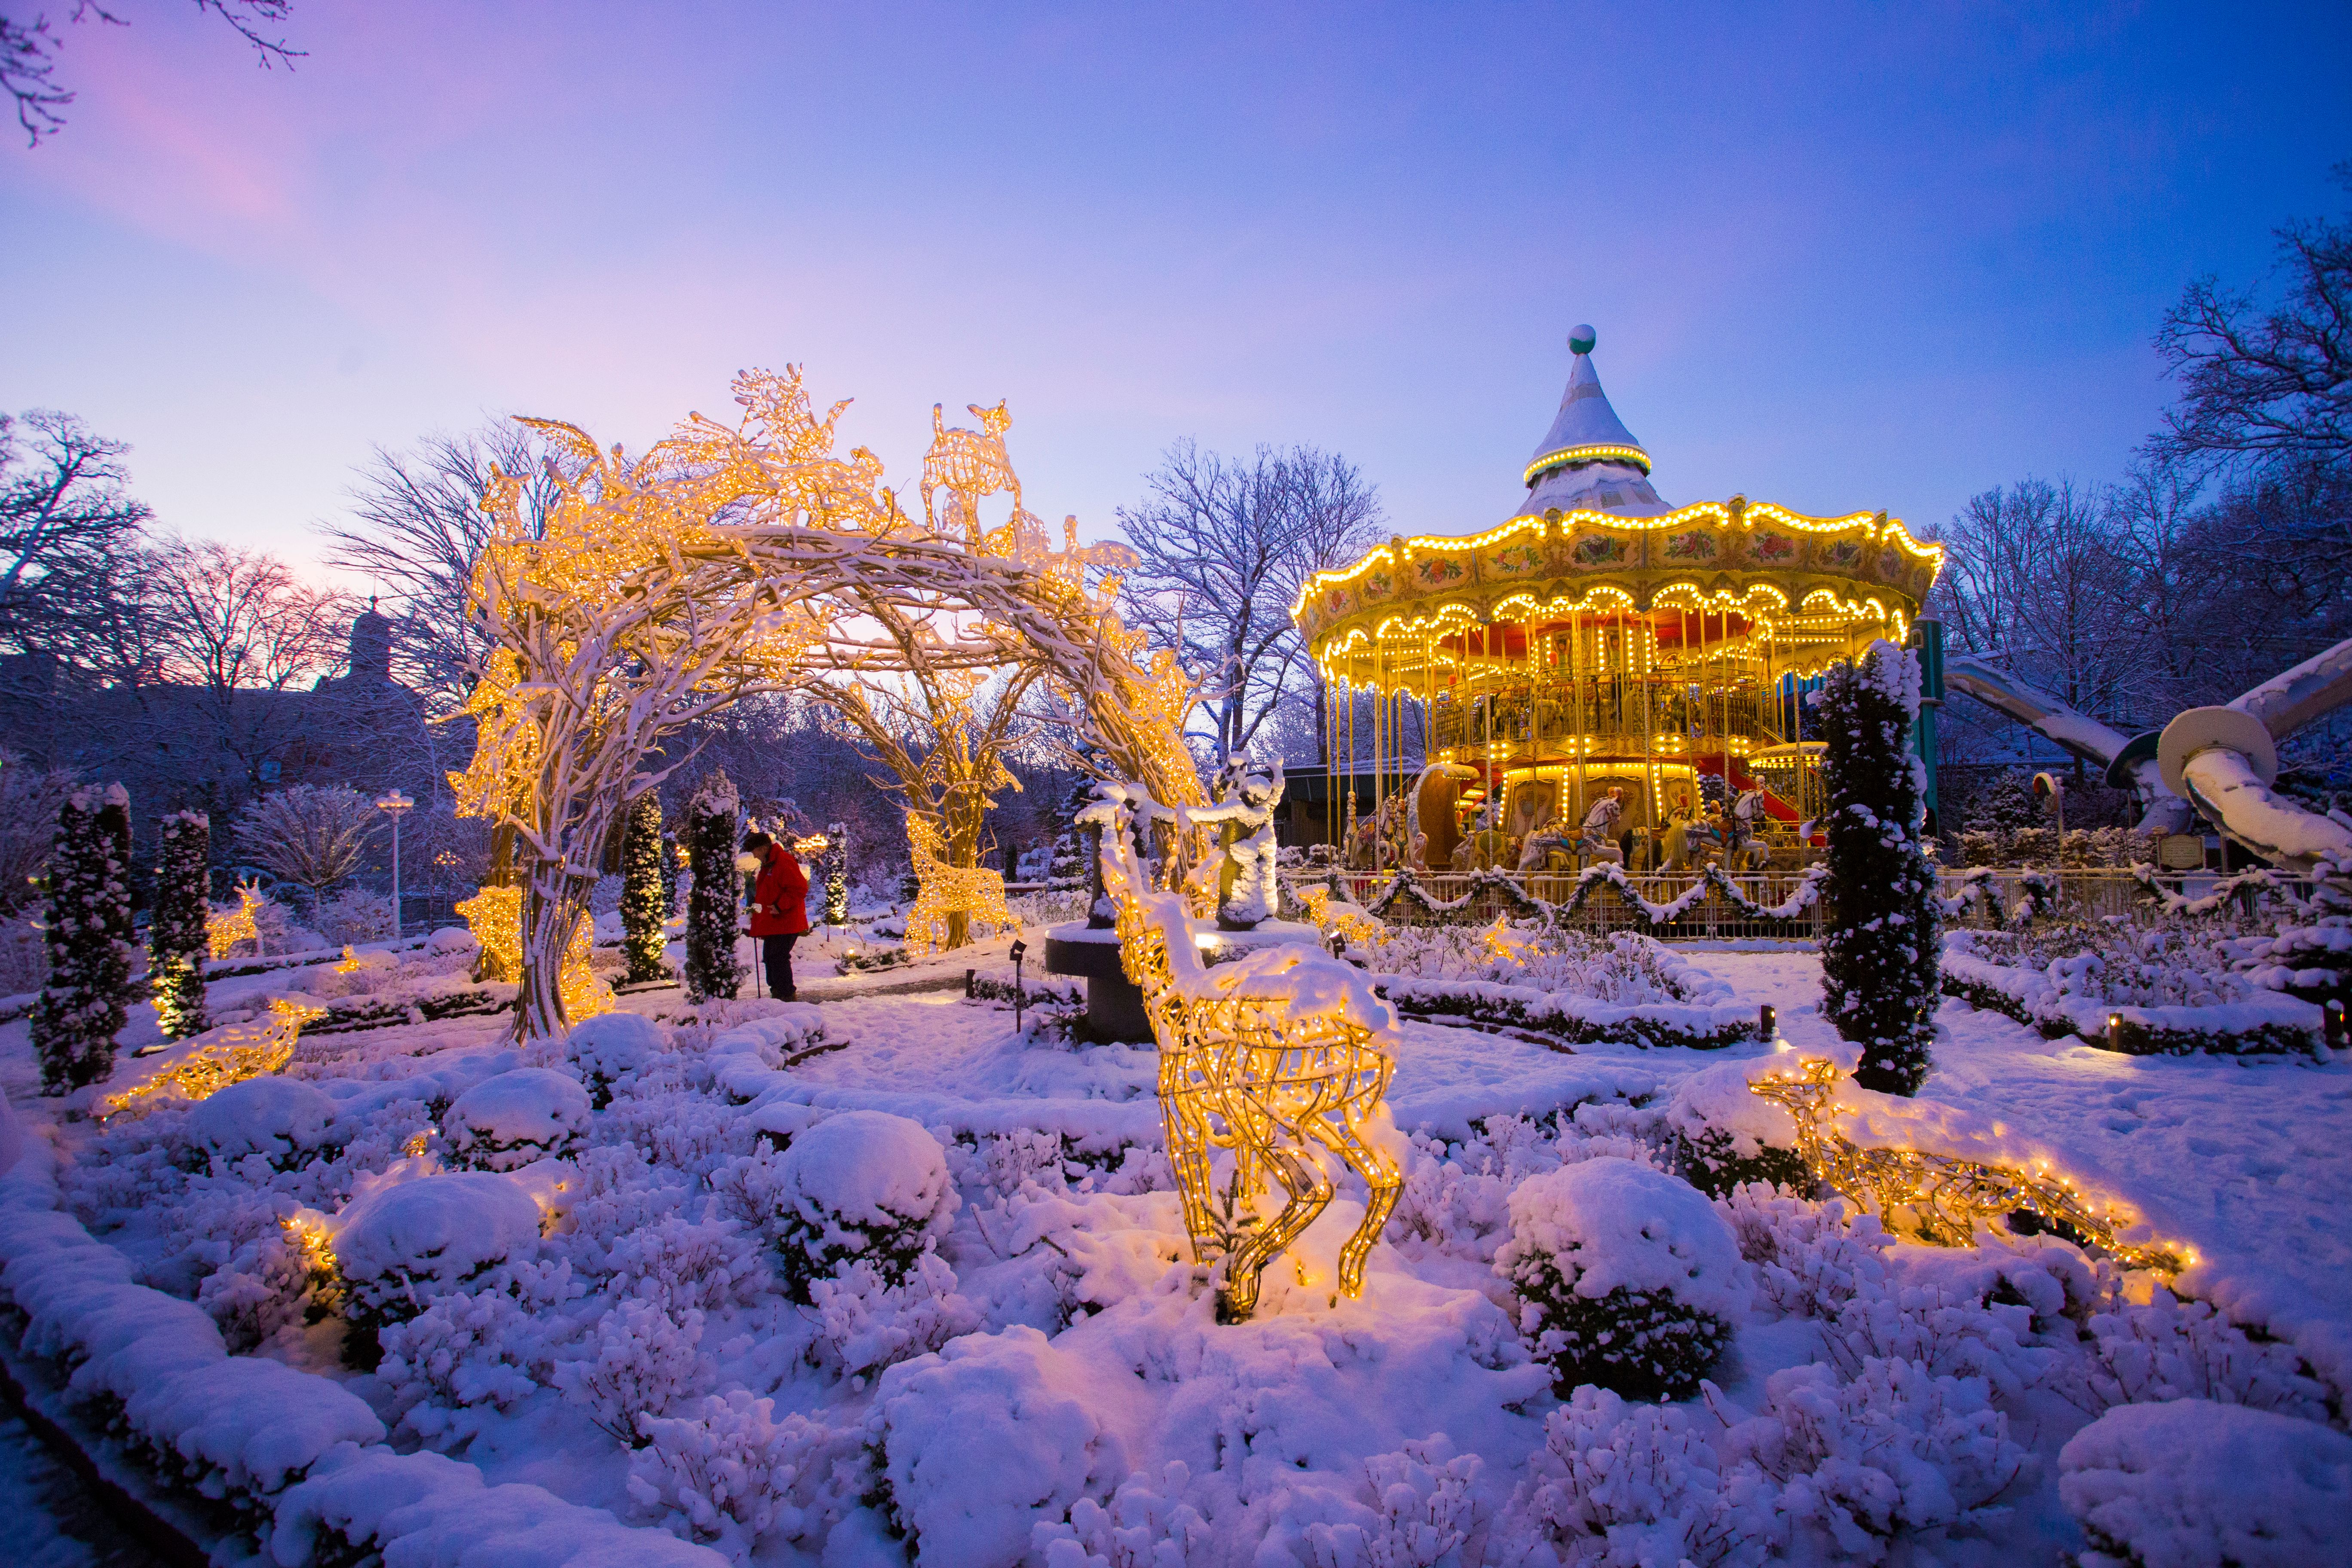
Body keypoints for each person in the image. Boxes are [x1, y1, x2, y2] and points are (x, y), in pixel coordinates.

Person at [744, 830, 811, 1002]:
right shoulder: (770, 864)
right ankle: (777, 993)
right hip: (775, 922)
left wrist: (780, 906)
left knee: (778, 958)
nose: (754, 856)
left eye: (755, 852)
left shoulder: (783, 861)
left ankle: (785, 995)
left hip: (786, 921)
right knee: (770, 957)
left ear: (764, 848)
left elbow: (799, 889)